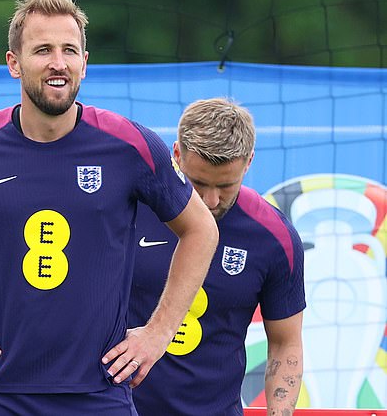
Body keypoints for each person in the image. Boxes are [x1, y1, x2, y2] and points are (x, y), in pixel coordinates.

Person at [0, 0, 218, 415]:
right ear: (14, 63)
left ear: (85, 63)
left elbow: (202, 228)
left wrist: (159, 332)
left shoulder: (130, 145)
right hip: (1, 396)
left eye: (70, 50)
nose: (59, 63)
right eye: (43, 50)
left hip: (100, 396)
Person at [129, 97, 305, 416]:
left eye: (226, 186)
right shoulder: (128, 210)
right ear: (177, 155)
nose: (211, 201)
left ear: (248, 162)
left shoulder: (275, 237)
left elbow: (285, 344)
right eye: (198, 184)